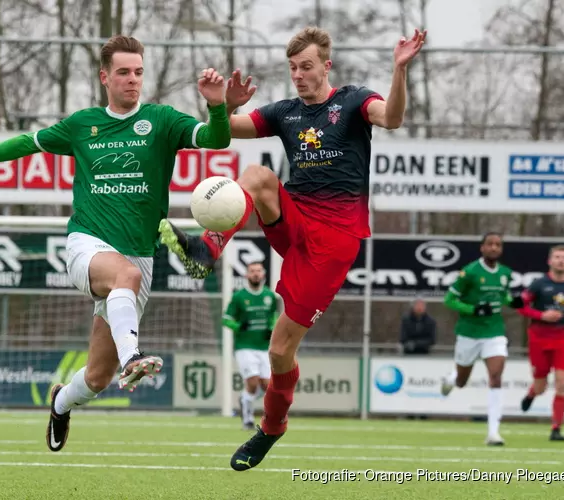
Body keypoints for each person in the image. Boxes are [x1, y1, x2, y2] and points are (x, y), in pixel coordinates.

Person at [0, 35, 231, 452]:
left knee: (96, 378)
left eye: (138, 72)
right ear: (105, 77)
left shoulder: (162, 121)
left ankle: (60, 402)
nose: (132, 80)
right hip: (87, 244)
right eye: (123, 72)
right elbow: (23, 144)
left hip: (138, 259)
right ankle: (134, 356)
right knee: (121, 277)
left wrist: (216, 104)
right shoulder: (81, 125)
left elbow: (216, 139)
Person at [159, 26, 426, 471]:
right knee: (259, 176)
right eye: (293, 68)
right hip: (296, 220)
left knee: (280, 350)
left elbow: (393, 117)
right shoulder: (285, 112)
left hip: (334, 243)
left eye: (306, 67)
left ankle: (271, 427)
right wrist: (219, 104)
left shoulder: (355, 101)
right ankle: (206, 252)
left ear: (327, 65)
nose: (299, 75)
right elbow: (221, 133)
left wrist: (399, 71)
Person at [440, 232, 524, 446]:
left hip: (494, 332)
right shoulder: (469, 272)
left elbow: (502, 295)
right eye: (490, 244)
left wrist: (512, 301)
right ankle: (451, 379)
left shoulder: (505, 273)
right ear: (482, 248)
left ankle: (493, 432)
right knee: (461, 381)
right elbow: (449, 300)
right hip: (469, 333)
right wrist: (473, 309)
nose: (494, 248)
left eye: (498, 244)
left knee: (496, 377)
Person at [517, 245, 564, 441]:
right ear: (550, 261)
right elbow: (519, 305)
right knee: (541, 386)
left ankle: (556, 428)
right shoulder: (538, 284)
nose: (561, 260)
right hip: (539, 336)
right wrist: (541, 315)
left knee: (562, 382)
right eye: (557, 257)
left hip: (563, 336)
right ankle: (531, 394)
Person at [222, 261, 279, 430]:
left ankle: (246, 398)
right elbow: (226, 319)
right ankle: (247, 419)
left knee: (267, 386)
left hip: (264, 347)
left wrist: (272, 328)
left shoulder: (270, 296)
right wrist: (239, 327)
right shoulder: (239, 297)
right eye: (252, 271)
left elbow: (274, 317)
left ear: (263, 274)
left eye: (258, 271)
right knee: (253, 382)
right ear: (246, 275)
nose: (255, 274)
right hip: (245, 346)